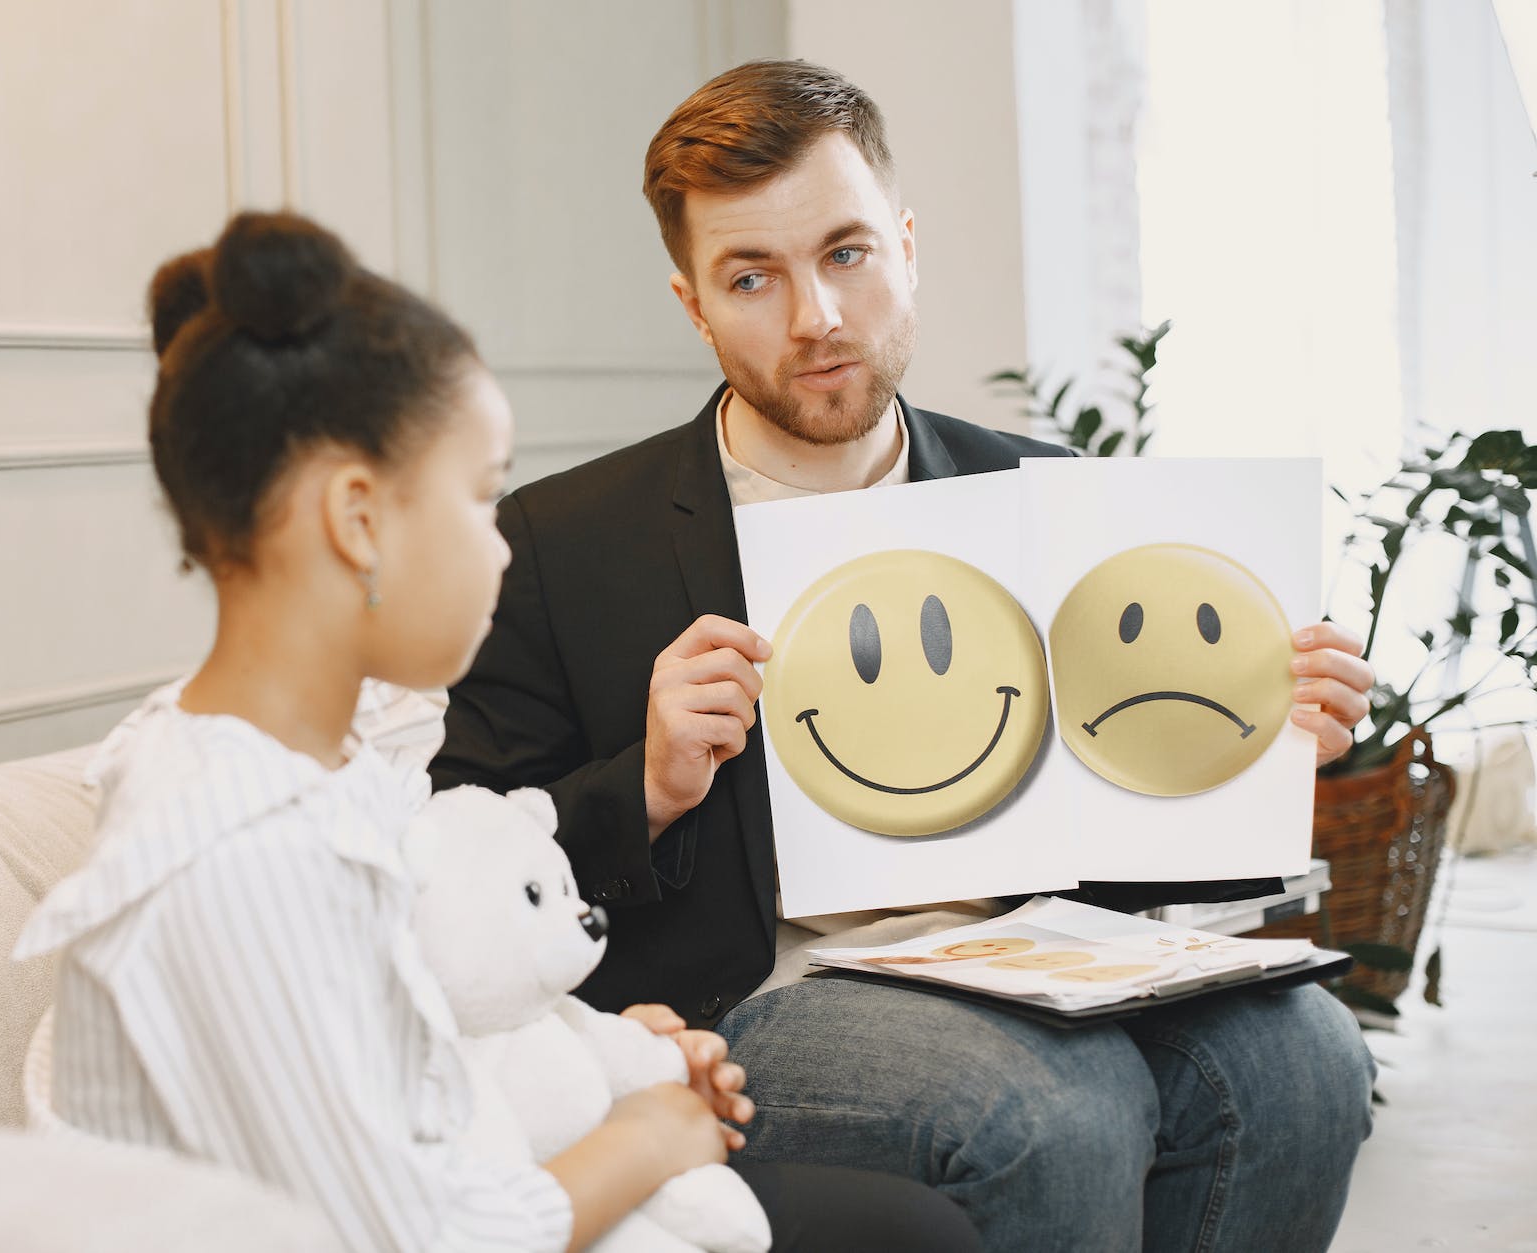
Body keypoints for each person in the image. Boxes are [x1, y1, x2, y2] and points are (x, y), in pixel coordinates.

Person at [433, 60, 1378, 1253]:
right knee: (1053, 1109)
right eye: (749, 276)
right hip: (772, 993)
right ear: (692, 304)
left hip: (1041, 956)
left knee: (1305, 1061)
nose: (815, 317)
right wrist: (651, 783)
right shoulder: (563, 540)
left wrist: (1254, 727)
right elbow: (452, 858)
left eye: (845, 253)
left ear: (905, 246)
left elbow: (1124, 827)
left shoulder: (1051, 497)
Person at [13, 210, 980, 1252]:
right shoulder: (234, 844)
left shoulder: (333, 764)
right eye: (479, 501)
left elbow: (409, 1042)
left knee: (907, 1229)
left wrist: (606, 1048)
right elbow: (421, 1234)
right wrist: (648, 1136)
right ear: (356, 519)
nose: (503, 549)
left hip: (477, 1172)